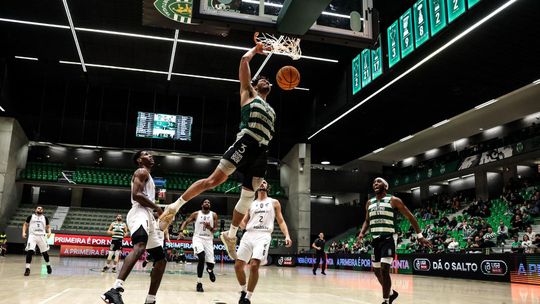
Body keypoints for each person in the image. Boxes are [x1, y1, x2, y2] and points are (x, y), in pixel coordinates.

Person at [158, 41, 275, 261]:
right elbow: (243, 62)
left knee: (248, 196)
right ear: (254, 85)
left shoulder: (271, 109)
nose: (264, 81)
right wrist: (254, 51)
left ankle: (230, 235)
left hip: (262, 151)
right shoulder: (249, 94)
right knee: (213, 180)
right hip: (246, 142)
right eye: (261, 79)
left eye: (267, 81)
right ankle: (173, 208)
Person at [101, 151, 167, 304]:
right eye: (146, 154)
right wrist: (157, 207)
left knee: (161, 259)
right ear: (139, 160)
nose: (150, 155)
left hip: (148, 215)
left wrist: (154, 211)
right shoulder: (141, 171)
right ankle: (115, 290)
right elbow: (136, 195)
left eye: (151, 154)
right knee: (140, 245)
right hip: (139, 211)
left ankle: (150, 299)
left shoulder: (148, 176)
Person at [357, 177, 431, 304]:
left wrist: (420, 236)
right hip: (375, 240)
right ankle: (391, 293)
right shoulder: (369, 203)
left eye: (378, 182)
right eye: (374, 182)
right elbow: (367, 220)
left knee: (385, 268)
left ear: (385, 186)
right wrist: (362, 233)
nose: (375, 183)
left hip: (389, 238)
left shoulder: (393, 200)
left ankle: (385, 300)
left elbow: (410, 217)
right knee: (377, 271)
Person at [235, 180, 292, 303]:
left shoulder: (274, 202)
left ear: (268, 187)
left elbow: (281, 221)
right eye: (260, 182)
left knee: (254, 265)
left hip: (263, 235)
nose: (262, 183)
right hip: (248, 234)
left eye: (265, 182)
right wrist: (238, 219)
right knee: (238, 266)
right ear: (256, 187)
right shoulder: (250, 203)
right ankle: (243, 290)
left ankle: (248, 298)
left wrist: (287, 235)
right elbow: (244, 223)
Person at [177, 199, 218, 292]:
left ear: (210, 205)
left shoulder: (214, 215)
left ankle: (210, 271)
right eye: (205, 202)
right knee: (201, 258)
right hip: (197, 238)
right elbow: (186, 222)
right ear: (202, 204)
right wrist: (181, 231)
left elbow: (215, 230)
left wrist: (209, 227)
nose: (207, 203)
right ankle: (199, 283)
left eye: (209, 202)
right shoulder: (196, 214)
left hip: (208, 240)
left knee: (211, 264)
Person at [22, 206, 52, 276]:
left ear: (43, 210)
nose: (40, 209)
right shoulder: (31, 217)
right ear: (36, 210)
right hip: (33, 236)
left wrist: (49, 232)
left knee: (45, 253)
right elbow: (25, 225)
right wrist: (23, 232)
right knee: (30, 251)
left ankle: (48, 265)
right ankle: (27, 269)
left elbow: (48, 226)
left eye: (41, 209)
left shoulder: (45, 218)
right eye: (38, 208)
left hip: (42, 236)